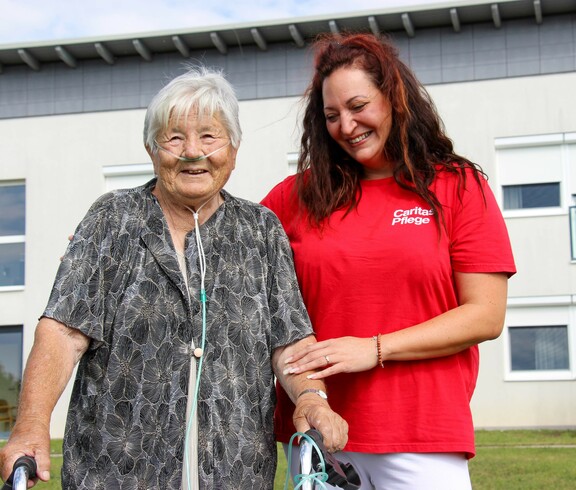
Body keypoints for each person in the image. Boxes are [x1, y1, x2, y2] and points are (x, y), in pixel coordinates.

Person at [0, 66, 348, 489]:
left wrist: (312, 397)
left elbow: (290, 340)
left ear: (234, 150)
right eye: (174, 137)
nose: (192, 151)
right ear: (152, 149)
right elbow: (63, 332)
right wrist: (32, 424)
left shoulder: (261, 230)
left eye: (209, 136)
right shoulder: (112, 220)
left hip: (235, 470)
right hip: (117, 470)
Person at [261, 33, 516, 489]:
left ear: (394, 97)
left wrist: (373, 348)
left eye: (359, 105)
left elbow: (485, 314)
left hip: (422, 430)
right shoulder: (294, 197)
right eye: (332, 115)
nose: (346, 125)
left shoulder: (456, 187)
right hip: (320, 429)